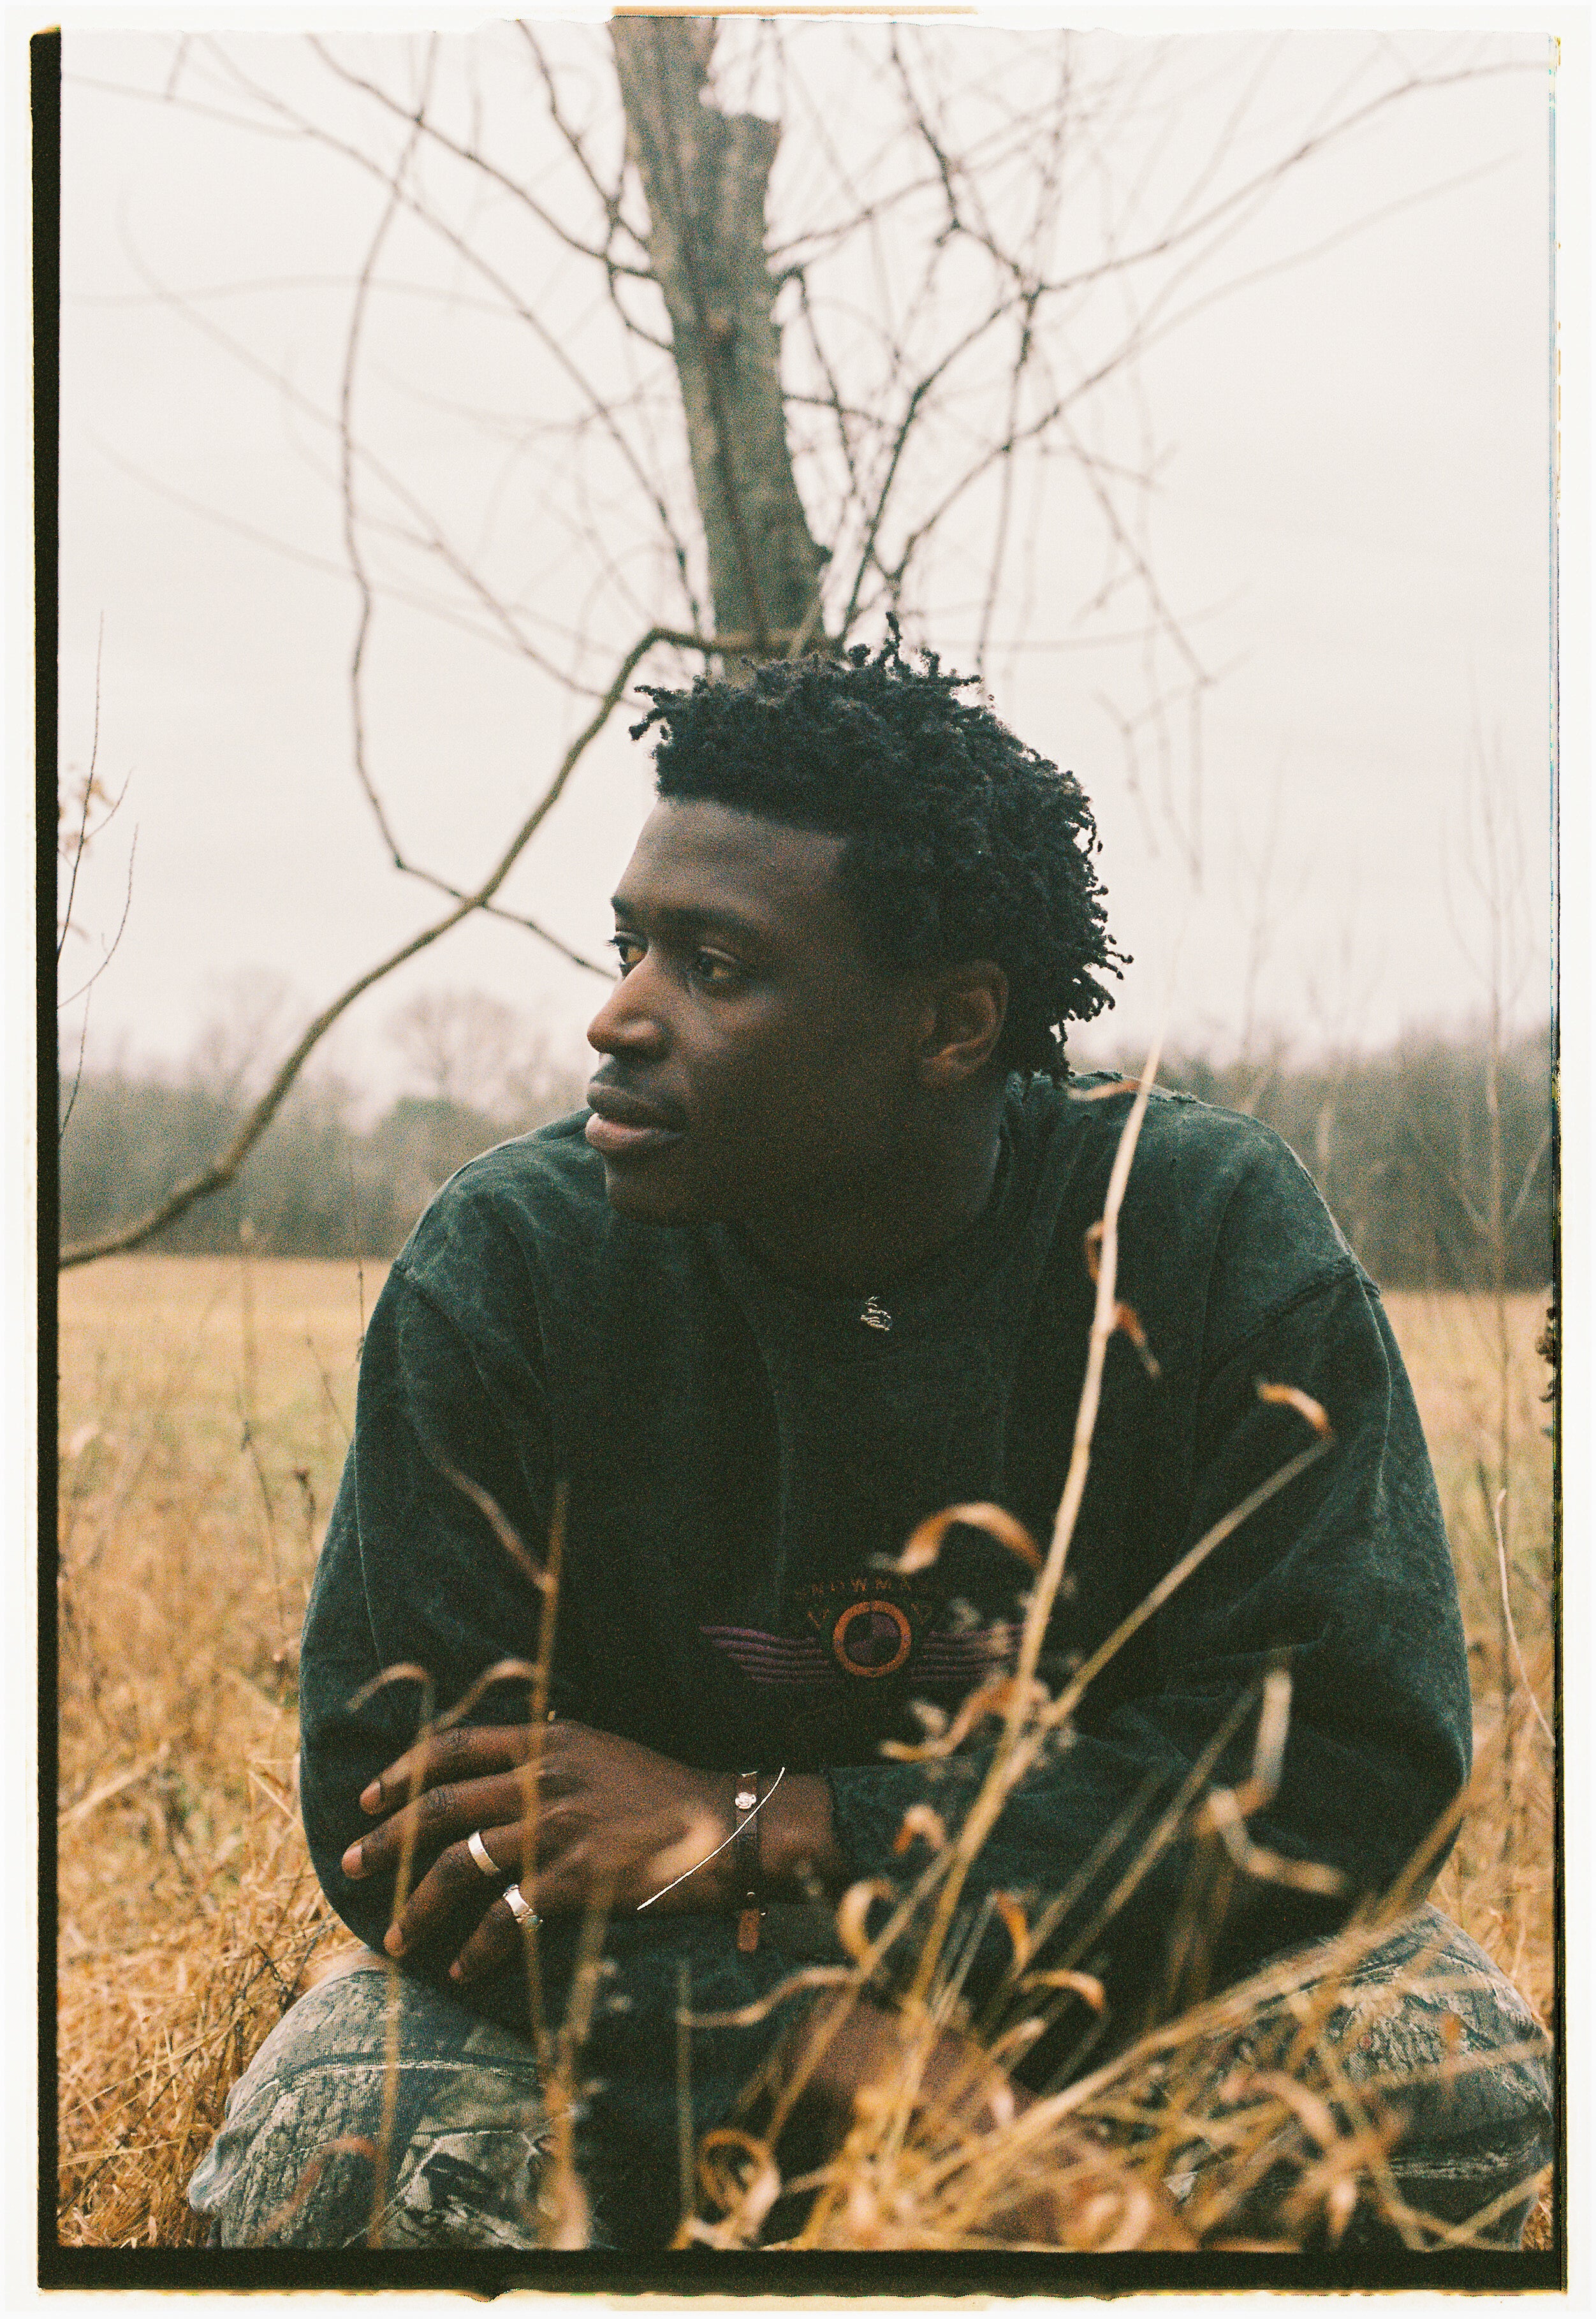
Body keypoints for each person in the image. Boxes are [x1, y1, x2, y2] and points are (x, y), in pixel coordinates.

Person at [190, 637, 1552, 2254]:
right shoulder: (509, 1266)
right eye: (631, 945)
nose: (615, 1016)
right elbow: (411, 1822)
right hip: (658, 2021)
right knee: (339, 2135)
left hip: (1101, 1986)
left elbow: (1348, 1763)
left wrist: (767, 1820)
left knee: (1447, 2073)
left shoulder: (1196, 1233)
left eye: (714, 965)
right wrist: (850, 2063)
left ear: (952, 1023)